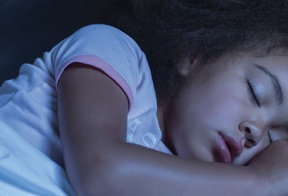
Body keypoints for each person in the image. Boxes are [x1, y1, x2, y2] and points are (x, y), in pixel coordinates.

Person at [0, 0, 288, 195]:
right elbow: (100, 170)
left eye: (272, 141)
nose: (256, 133)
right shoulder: (113, 49)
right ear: (194, 54)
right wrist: (258, 182)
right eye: (255, 92)